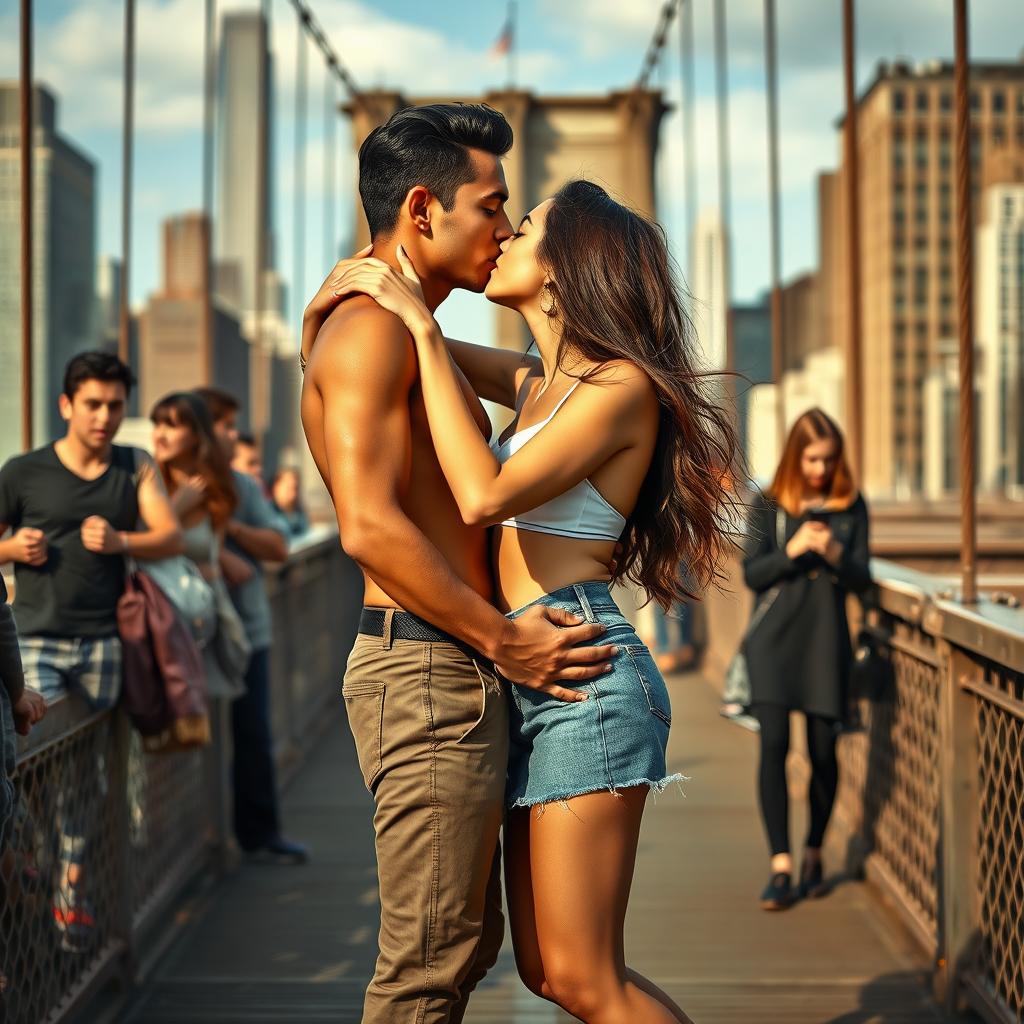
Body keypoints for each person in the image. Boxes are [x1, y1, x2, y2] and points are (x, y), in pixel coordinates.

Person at [310, 171, 742, 1020]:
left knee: (587, 977)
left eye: (527, 222)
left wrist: (421, 333)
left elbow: (479, 495)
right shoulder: (537, 381)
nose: (505, 233)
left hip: (584, 674)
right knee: (544, 971)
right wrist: (329, 316)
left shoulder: (620, 389)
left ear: (563, 265)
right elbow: (384, 351)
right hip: (527, 671)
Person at [300, 105, 620, 1024]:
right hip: (430, 668)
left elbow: (541, 379)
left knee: (466, 945)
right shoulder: (368, 336)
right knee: (425, 968)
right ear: (422, 209)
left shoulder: (395, 333)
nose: (506, 229)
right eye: (492, 206)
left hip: (456, 665)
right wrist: (503, 640)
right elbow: (367, 526)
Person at [0, 351, 183, 950]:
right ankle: (25, 855)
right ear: (66, 406)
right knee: (26, 759)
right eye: (93, 405)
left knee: (82, 777)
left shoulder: (134, 466)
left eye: (115, 406)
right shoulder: (23, 472)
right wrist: (9, 551)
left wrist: (121, 538)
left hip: (107, 644)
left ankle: (69, 902)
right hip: (35, 644)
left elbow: (170, 536)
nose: (105, 417)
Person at [741, 408, 871, 911]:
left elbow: (862, 578)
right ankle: (781, 865)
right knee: (773, 746)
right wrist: (793, 549)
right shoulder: (769, 501)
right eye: (813, 458)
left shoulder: (850, 504)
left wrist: (836, 552)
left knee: (822, 752)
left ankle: (814, 851)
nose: (820, 468)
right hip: (773, 644)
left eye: (829, 459)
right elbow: (753, 574)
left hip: (825, 644)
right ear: (797, 455)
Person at [193, 387, 308, 865]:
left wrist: (234, 531)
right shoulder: (158, 483)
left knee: (252, 733)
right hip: (188, 635)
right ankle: (193, 845)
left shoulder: (240, 488)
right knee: (184, 739)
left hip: (247, 630)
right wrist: (213, 551)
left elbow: (279, 546)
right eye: (224, 427)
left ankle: (257, 835)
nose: (233, 436)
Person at [270, 468, 310, 539]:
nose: (293, 494)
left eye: (295, 488)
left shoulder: (299, 512)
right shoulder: (267, 513)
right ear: (276, 487)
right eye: (288, 488)